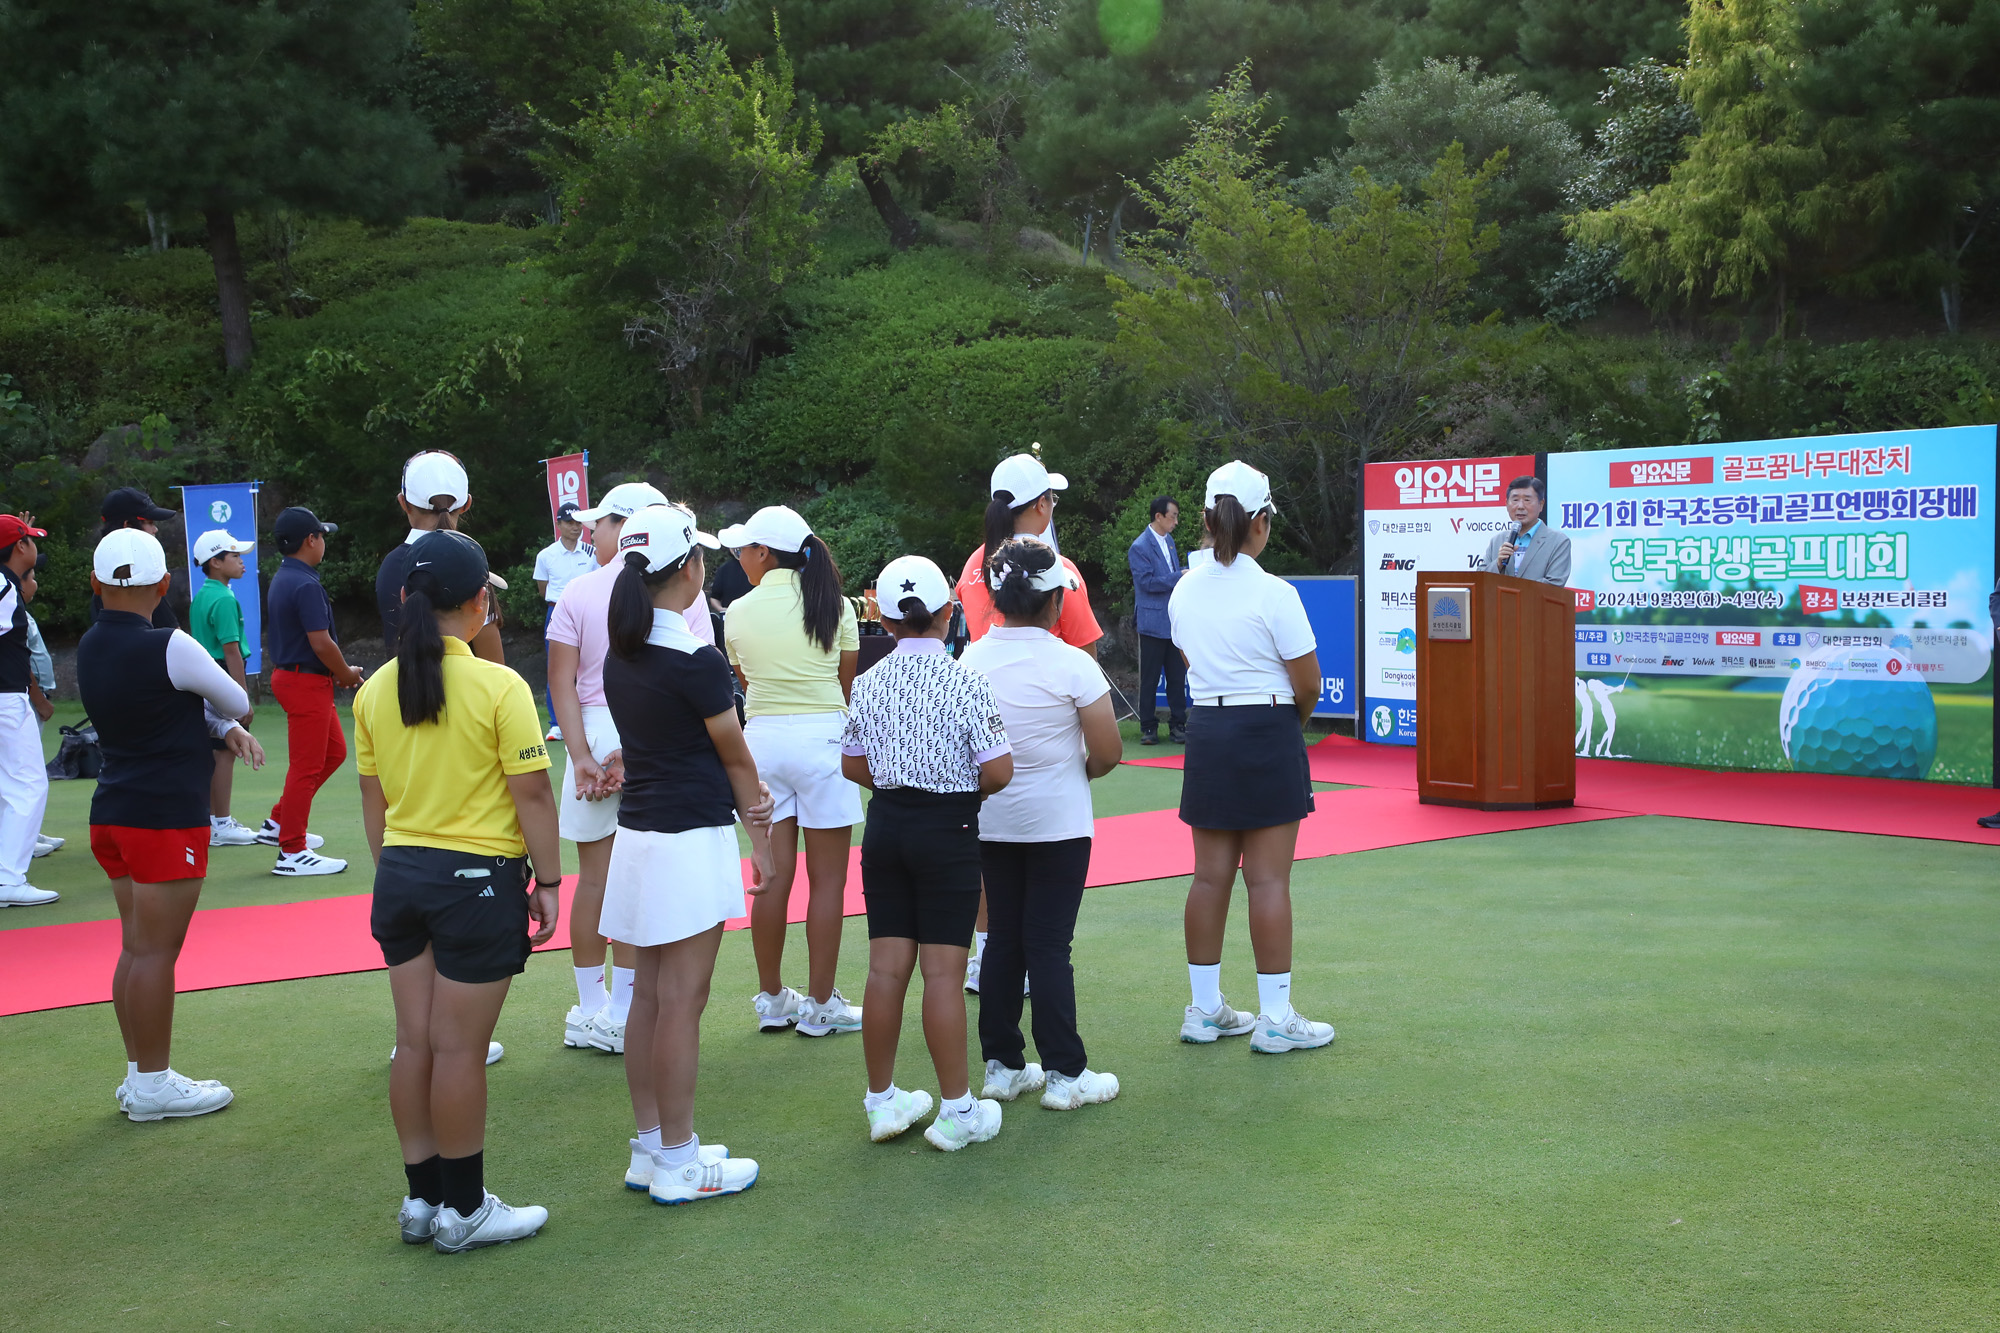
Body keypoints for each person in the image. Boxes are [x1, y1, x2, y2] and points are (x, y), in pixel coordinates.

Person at [353, 528, 560, 1252]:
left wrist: (397, 871)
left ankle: (423, 1201)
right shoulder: (499, 685)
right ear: (478, 603)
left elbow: (374, 804)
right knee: (458, 1051)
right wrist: (552, 880)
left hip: (402, 877)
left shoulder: (374, 689)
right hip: (475, 882)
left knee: (415, 1044)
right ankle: (466, 1209)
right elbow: (532, 794)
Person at [600, 504, 770, 1204]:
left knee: (650, 998)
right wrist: (762, 842)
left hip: (639, 840)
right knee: (680, 1003)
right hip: (687, 843)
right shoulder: (694, 658)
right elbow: (735, 758)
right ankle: (678, 1158)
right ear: (692, 571)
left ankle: (653, 1147)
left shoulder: (624, 652)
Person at [81, 528, 267, 1120]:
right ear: (164, 585)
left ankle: (141, 1075)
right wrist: (225, 721)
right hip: (164, 818)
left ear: (95, 584)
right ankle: (154, 1083)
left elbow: (169, 711)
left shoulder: (88, 644)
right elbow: (236, 700)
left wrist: (216, 728)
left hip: (113, 811)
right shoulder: (172, 643)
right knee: (156, 953)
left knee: (136, 948)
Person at [840, 555, 1015, 1151]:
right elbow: (998, 769)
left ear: (884, 622)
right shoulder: (967, 680)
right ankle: (958, 1110)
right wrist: (962, 786)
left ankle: (882, 1101)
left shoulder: (867, 681)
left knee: (886, 969)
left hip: (886, 827)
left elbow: (852, 763)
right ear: (949, 612)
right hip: (949, 829)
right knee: (942, 973)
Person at [1169, 460, 1335, 1054]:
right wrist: (1289, 725)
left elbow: (1190, 661)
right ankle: (1273, 1018)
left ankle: (1205, 1010)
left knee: (1209, 878)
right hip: (1265, 725)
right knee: (1267, 881)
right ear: (1261, 522)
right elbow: (1308, 683)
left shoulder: (1184, 588)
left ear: (1210, 519)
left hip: (1209, 728)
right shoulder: (1275, 592)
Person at [546, 482, 716, 1054]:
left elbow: (560, 682)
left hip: (597, 730)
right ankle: (622, 1005)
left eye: (600, 522)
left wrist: (582, 756)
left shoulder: (579, 590)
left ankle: (598, 1007)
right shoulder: (678, 590)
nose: (592, 531)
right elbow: (696, 680)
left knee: (596, 878)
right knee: (637, 874)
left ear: (624, 524)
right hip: (652, 733)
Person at [961, 539, 1124, 1111]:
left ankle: (1002, 1066)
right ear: (1055, 600)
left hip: (991, 822)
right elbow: (1107, 752)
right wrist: (1070, 771)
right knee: (1050, 944)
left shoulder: (971, 660)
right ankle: (1064, 1073)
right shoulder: (1073, 664)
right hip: (1058, 823)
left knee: (1003, 939)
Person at [953, 451, 1101, 992]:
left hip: (983, 723)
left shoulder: (975, 566)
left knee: (991, 853)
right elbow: (1081, 652)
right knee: (1046, 865)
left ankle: (987, 959)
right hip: (1047, 727)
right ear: (1040, 505)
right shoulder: (1056, 569)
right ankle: (1029, 969)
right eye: (1052, 499)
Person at [718, 505, 864, 1037]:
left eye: (744, 549)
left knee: (771, 877)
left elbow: (746, 681)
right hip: (825, 740)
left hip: (764, 743)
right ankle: (822, 1004)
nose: (739, 558)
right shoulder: (837, 605)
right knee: (828, 883)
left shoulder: (736, 611)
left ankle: (773, 998)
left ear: (764, 552)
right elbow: (844, 682)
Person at [263, 506, 360, 875]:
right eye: (321, 536)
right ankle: (292, 851)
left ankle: (278, 822)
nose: (323, 543)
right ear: (311, 540)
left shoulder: (287, 576)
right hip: (304, 680)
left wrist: (336, 673)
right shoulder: (305, 583)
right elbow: (321, 643)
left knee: (333, 753)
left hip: (300, 677)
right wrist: (346, 673)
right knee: (306, 767)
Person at [377, 451, 505, 664]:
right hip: (470, 695)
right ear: (466, 504)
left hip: (400, 694)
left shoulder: (390, 566)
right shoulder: (468, 561)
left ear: (403, 502)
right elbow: (495, 665)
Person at [187, 529, 263, 848]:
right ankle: (221, 823)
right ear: (215, 562)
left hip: (204, 676)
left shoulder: (203, 594)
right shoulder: (223, 597)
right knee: (225, 751)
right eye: (234, 556)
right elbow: (231, 649)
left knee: (216, 750)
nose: (241, 561)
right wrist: (241, 700)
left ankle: (213, 820)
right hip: (221, 674)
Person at [0, 514, 55, 907]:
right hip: (5, 699)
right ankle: (8, 880)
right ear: (20, 548)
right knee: (29, 785)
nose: (34, 545)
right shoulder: (4, 586)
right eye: (30, 540)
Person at [533, 501, 596, 742]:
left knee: (589, 664)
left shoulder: (591, 552)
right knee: (558, 668)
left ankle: (586, 716)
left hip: (586, 611)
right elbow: (543, 589)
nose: (575, 527)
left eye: (578, 522)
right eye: (569, 522)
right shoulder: (546, 555)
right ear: (559, 524)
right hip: (557, 611)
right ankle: (556, 724)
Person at [1128, 495, 1187, 746]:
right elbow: (1146, 583)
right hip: (1152, 622)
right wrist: (1178, 576)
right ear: (1158, 517)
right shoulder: (1139, 546)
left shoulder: (1169, 541)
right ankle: (1148, 728)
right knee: (1150, 679)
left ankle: (1178, 725)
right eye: (1172, 516)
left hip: (1172, 621)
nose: (1175, 521)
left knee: (1176, 677)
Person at [89, 488, 181, 628]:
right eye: (149, 522)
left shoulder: (105, 584)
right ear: (128, 526)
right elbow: (175, 642)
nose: (155, 529)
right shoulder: (143, 584)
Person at [1484, 475, 1572, 585]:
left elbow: (1555, 584)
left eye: (1527, 500)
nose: (1520, 506)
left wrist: (1513, 593)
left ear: (1541, 504)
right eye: (1515, 500)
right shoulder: (1497, 540)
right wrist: (1498, 564)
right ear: (1506, 504)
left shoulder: (1558, 541)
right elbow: (1480, 580)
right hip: (1499, 602)